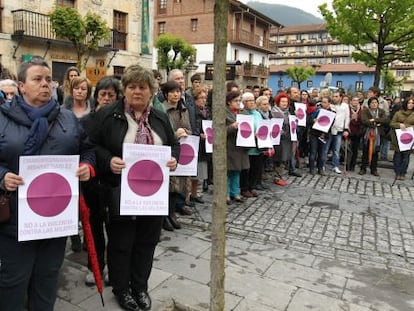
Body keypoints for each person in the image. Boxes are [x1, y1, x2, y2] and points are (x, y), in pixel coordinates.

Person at [0, 57, 95, 311]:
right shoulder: (3, 118)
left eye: (47, 79)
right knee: (12, 284)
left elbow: (88, 150)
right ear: (21, 86)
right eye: (37, 79)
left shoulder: (67, 119)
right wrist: (2, 177)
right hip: (15, 224)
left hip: (54, 222)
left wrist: (87, 166)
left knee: (47, 281)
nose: (45, 85)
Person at [86, 64, 179, 311]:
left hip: (153, 195)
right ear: (124, 90)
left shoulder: (160, 117)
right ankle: (122, 289)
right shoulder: (109, 115)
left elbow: (173, 145)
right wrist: (108, 161)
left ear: (151, 91)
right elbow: (91, 145)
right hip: (119, 193)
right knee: (121, 244)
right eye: (131, 87)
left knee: (146, 243)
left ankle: (140, 287)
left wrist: (173, 160)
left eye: (142, 87)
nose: (137, 91)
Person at [81, 76, 122, 286]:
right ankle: (94, 265)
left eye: (111, 95)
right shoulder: (86, 121)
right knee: (93, 228)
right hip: (90, 185)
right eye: (102, 94)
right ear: (96, 97)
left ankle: (111, 266)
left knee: (114, 229)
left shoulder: (121, 123)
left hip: (113, 183)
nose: (106, 99)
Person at [162, 80, 193, 231]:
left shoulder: (184, 109)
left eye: (178, 91)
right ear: (166, 94)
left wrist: (185, 132)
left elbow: (189, 128)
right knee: (168, 184)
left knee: (178, 184)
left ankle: (172, 213)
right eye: (172, 92)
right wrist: (175, 134)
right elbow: (161, 132)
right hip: (167, 149)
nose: (176, 94)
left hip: (182, 149)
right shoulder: (161, 110)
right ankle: (164, 216)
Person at [226, 90, 249, 204]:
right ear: (229, 102)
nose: (238, 103)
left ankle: (235, 192)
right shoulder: (224, 113)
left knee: (237, 171)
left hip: (240, 146)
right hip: (229, 146)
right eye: (235, 101)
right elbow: (219, 131)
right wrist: (232, 127)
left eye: (239, 100)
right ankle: (226, 194)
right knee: (227, 172)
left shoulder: (243, 113)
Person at [359, 97, 388, 176]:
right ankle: (363, 168)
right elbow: (364, 121)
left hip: (378, 134)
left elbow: (385, 120)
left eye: (376, 102)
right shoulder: (365, 111)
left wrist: (374, 120)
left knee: (375, 152)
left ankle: (373, 169)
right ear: (369, 104)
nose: (374, 104)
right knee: (365, 151)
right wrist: (376, 122)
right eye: (372, 102)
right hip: (367, 134)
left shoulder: (381, 111)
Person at [271, 93, 296, 185]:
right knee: (278, 158)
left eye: (286, 101)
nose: (285, 103)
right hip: (278, 139)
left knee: (284, 158)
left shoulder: (288, 112)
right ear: (278, 102)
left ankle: (280, 176)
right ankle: (277, 177)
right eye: (282, 101)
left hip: (287, 139)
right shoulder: (274, 112)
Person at [326, 91, 350, 174]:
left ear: (340, 97)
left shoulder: (345, 106)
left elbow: (347, 117)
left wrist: (346, 129)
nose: (334, 98)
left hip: (339, 130)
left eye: (336, 96)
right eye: (333, 96)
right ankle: (322, 165)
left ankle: (335, 166)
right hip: (329, 130)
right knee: (325, 149)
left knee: (336, 150)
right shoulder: (330, 105)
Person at [390, 98, 414, 180]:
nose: (410, 104)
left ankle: (403, 173)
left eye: (412, 103)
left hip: (409, 138)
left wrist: (409, 126)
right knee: (397, 155)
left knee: (406, 156)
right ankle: (397, 172)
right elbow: (392, 123)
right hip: (398, 138)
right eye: (409, 103)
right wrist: (399, 125)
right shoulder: (398, 113)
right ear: (405, 104)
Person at [348, 96, 363, 171]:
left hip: (357, 132)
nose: (355, 102)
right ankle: (347, 164)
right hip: (349, 131)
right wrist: (351, 118)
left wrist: (357, 119)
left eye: (357, 101)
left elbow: (363, 120)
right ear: (351, 101)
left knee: (355, 150)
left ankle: (352, 165)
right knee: (348, 149)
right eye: (354, 100)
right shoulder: (348, 109)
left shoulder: (361, 110)